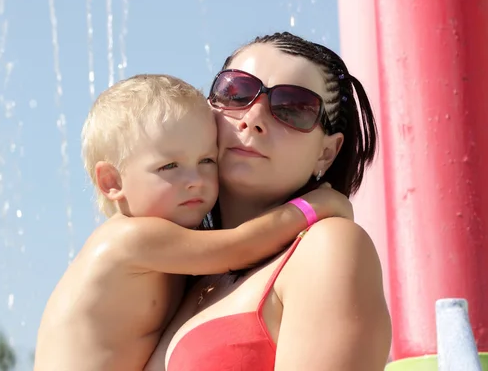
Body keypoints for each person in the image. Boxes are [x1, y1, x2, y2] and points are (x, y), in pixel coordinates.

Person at [33, 74, 352, 371]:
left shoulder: (171, 250)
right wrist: (312, 207)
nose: (195, 180)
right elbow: (240, 246)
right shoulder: (128, 239)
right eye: (170, 166)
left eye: (206, 161)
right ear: (112, 181)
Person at [145, 32, 392, 371]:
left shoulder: (328, 246)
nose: (254, 117)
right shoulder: (181, 274)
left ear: (326, 153)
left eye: (292, 108)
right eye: (236, 92)